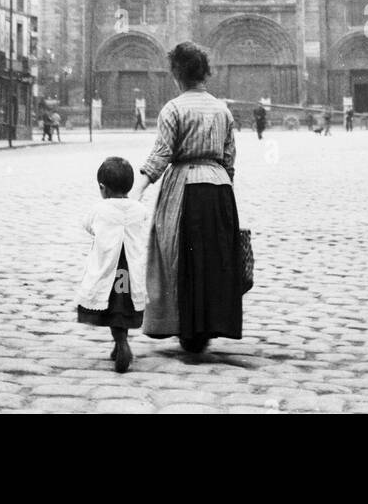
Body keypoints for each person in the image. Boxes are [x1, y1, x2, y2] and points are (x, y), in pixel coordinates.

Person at [132, 42, 243, 356]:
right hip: (220, 189)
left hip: (185, 188)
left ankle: (186, 326)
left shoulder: (173, 108)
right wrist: (225, 190)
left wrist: (138, 189)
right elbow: (229, 159)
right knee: (213, 260)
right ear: (205, 73)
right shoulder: (222, 109)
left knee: (180, 256)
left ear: (176, 73)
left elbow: (162, 155)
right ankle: (208, 326)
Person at [76, 156, 148, 374]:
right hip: (127, 272)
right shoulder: (138, 208)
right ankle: (120, 344)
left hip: (110, 271)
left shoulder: (100, 209)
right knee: (123, 307)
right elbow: (143, 220)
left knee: (113, 307)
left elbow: (87, 225)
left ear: (103, 188)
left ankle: (122, 345)